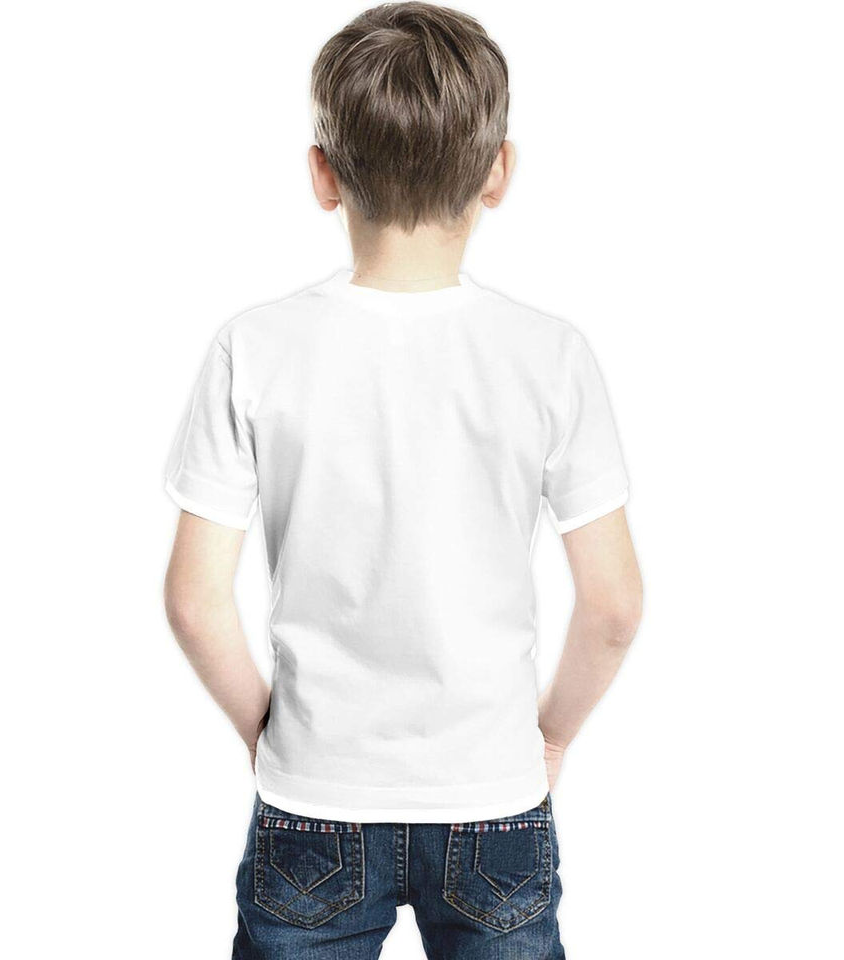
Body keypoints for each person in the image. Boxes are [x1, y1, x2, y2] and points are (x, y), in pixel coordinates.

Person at [162, 3, 643, 957]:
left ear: (322, 173)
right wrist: (547, 742)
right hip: (494, 796)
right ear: (498, 170)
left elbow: (192, 600)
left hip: (314, 797)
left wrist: (269, 736)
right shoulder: (550, 356)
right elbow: (615, 608)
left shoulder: (254, 347)